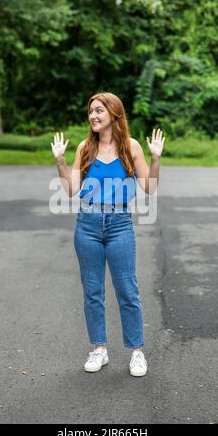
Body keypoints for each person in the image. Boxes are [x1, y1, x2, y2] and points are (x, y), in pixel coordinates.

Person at [51, 92, 165, 377]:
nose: (93, 116)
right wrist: (60, 162)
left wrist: (155, 159)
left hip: (119, 225)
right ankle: (98, 349)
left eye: (99, 111)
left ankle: (137, 352)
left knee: (127, 290)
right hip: (87, 225)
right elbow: (71, 190)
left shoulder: (131, 147)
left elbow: (149, 188)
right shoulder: (85, 148)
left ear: (114, 115)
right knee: (93, 291)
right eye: (90, 111)